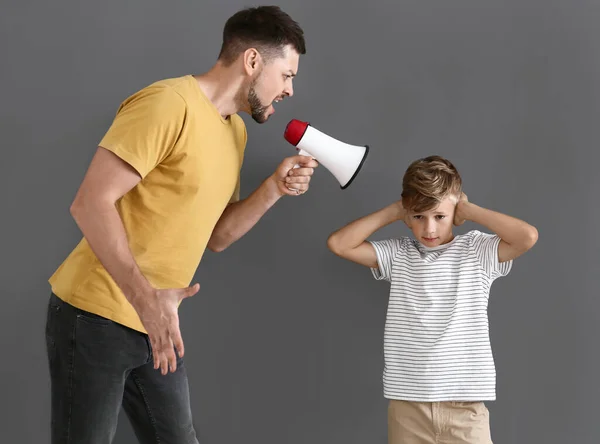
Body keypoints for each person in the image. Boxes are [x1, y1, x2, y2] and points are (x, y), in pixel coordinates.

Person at [45, 6, 317, 444]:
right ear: (252, 62)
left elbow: (217, 238)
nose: (290, 90)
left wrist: (273, 189)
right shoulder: (169, 103)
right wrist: (147, 301)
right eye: (286, 75)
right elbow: (90, 203)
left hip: (155, 322)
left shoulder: (235, 133)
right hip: (93, 314)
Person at [326, 155, 538, 444]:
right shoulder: (398, 254)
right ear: (407, 215)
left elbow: (526, 237)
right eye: (418, 217)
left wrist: (469, 209)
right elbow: (339, 244)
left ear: (455, 212)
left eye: (439, 216)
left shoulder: (476, 250)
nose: (429, 229)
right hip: (408, 407)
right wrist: (394, 211)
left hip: (465, 406)